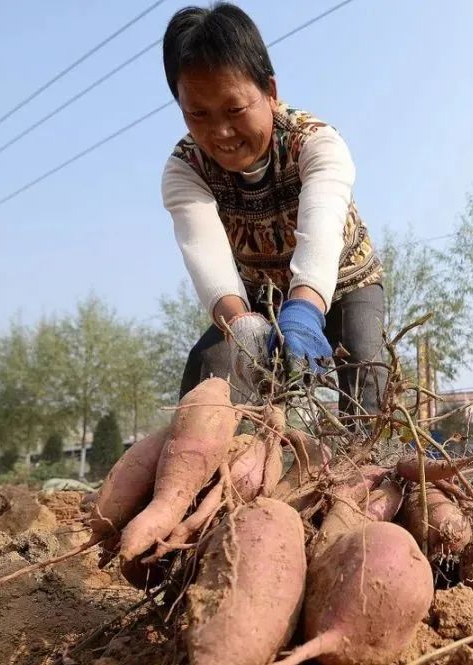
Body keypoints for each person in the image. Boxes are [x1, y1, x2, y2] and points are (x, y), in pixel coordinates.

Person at [160, 4, 386, 416]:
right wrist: (241, 327)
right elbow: (206, 255)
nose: (220, 132)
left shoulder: (315, 144)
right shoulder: (184, 169)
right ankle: (203, 470)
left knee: (365, 372)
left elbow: (320, 229)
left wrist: (303, 308)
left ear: (270, 90)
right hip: (255, 294)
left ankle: (369, 471)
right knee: (210, 367)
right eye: (197, 114)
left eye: (235, 110)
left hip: (344, 282)